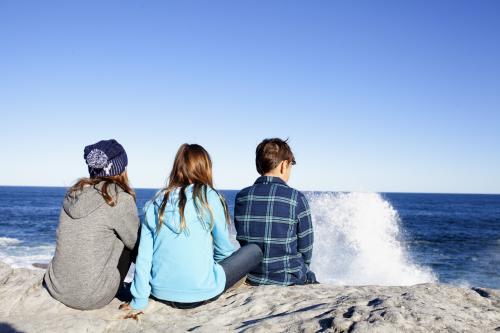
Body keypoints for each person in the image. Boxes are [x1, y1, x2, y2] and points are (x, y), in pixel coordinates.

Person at [123, 144, 262, 311]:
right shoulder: (208, 196)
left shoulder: (155, 203)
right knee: (253, 250)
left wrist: (138, 300)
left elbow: (144, 258)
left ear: (177, 168)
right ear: (205, 168)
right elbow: (222, 249)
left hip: (161, 292)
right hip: (203, 292)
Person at [44, 139, 140, 310]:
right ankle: (147, 290)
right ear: (121, 168)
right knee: (133, 241)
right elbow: (136, 243)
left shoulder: (73, 194)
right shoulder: (119, 198)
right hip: (92, 297)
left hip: (57, 287)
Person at [234, 138, 317, 286]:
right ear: (284, 165)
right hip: (289, 278)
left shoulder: (241, 197)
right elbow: (306, 249)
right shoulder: (296, 198)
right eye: (291, 165)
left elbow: (243, 239)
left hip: (253, 277)